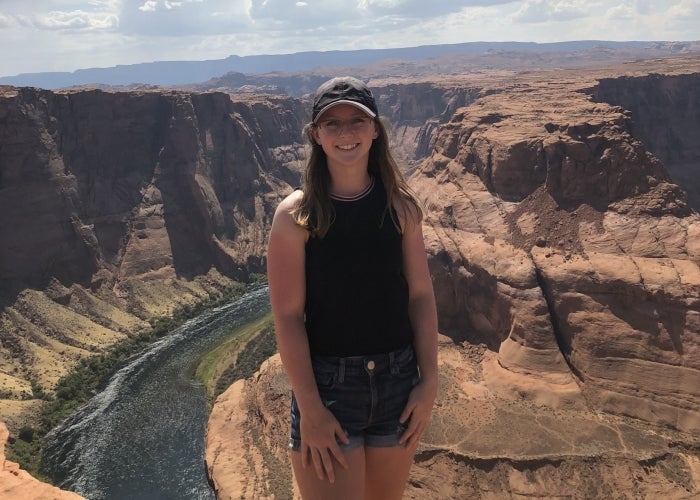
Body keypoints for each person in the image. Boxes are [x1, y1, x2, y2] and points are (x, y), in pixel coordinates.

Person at [267, 76, 438, 500]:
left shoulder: (401, 206)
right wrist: (310, 409)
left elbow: (420, 296)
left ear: (375, 130)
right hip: (329, 391)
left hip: (398, 382)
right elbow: (288, 318)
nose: (346, 133)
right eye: (333, 123)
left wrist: (429, 380)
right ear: (316, 136)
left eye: (356, 121)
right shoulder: (297, 215)